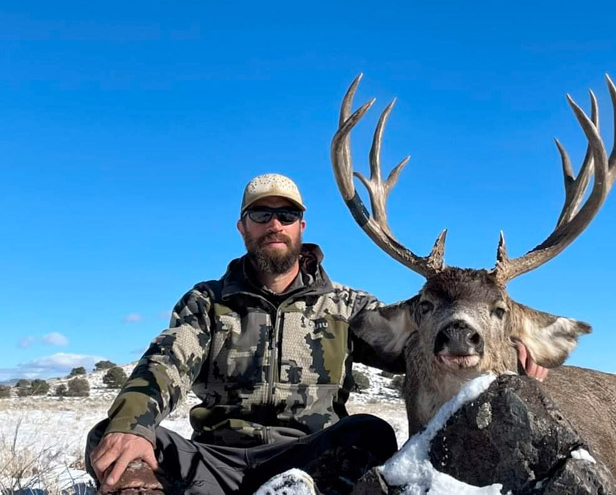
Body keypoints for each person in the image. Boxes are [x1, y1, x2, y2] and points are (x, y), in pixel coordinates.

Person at [86, 173, 546, 495]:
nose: (275, 225)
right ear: (242, 227)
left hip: (310, 458)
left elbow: (428, 343)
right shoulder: (207, 302)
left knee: (369, 433)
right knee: (110, 436)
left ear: (302, 227)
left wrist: (508, 352)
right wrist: (132, 427)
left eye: (286, 215)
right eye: (261, 214)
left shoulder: (347, 307)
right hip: (215, 459)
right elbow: (165, 364)